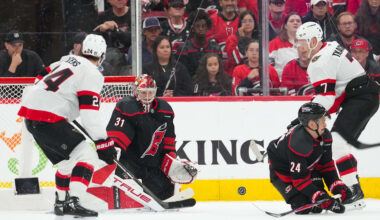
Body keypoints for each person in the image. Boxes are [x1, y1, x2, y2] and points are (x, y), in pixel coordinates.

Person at [17, 34, 117, 217]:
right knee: (87, 155)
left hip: (30, 117)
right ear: (102, 55)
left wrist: (57, 102)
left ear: (82, 49)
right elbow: (89, 114)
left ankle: (61, 203)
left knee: (66, 163)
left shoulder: (64, 61)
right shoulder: (93, 74)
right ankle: (74, 201)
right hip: (49, 118)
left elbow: (39, 77)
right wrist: (103, 142)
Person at [294, 22, 379, 207]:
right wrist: (316, 111)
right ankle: (353, 188)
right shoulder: (330, 46)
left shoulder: (319, 62)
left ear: (313, 41)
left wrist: (304, 115)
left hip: (361, 98)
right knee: (339, 144)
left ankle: (353, 192)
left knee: (338, 143)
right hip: (363, 95)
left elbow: (327, 98)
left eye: (301, 41)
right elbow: (335, 93)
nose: (298, 46)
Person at [106, 74, 198, 200]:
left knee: (166, 191)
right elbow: (117, 138)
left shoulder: (165, 110)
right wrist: (114, 158)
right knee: (123, 197)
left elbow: (169, 140)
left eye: (151, 92)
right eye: (144, 92)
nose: (148, 96)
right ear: (136, 91)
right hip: (129, 163)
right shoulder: (127, 106)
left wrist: (172, 162)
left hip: (151, 165)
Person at [268, 102, 351, 214]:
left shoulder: (325, 136)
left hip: (306, 167)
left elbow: (326, 165)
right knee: (303, 206)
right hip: (282, 172)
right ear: (312, 124)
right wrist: (318, 196)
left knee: (317, 205)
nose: (325, 125)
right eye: (322, 121)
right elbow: (299, 180)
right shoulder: (298, 144)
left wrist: (336, 185)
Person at [176, 9, 222, 77]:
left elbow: (219, 73)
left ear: (207, 28)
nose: (201, 29)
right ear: (192, 28)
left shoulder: (215, 48)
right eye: (198, 26)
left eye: (203, 26)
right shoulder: (184, 49)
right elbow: (181, 74)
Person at [225, 10, 259, 77]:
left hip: (256, 73)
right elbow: (235, 60)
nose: (247, 24)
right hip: (237, 74)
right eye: (244, 21)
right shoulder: (232, 39)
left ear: (255, 23)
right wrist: (242, 39)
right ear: (240, 23)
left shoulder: (259, 39)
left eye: (250, 21)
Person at [269, 12, 302, 79]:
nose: (295, 23)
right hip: (282, 84)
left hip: (303, 82)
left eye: (298, 21)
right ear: (285, 26)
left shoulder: (307, 42)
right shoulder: (274, 43)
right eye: (292, 21)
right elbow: (268, 67)